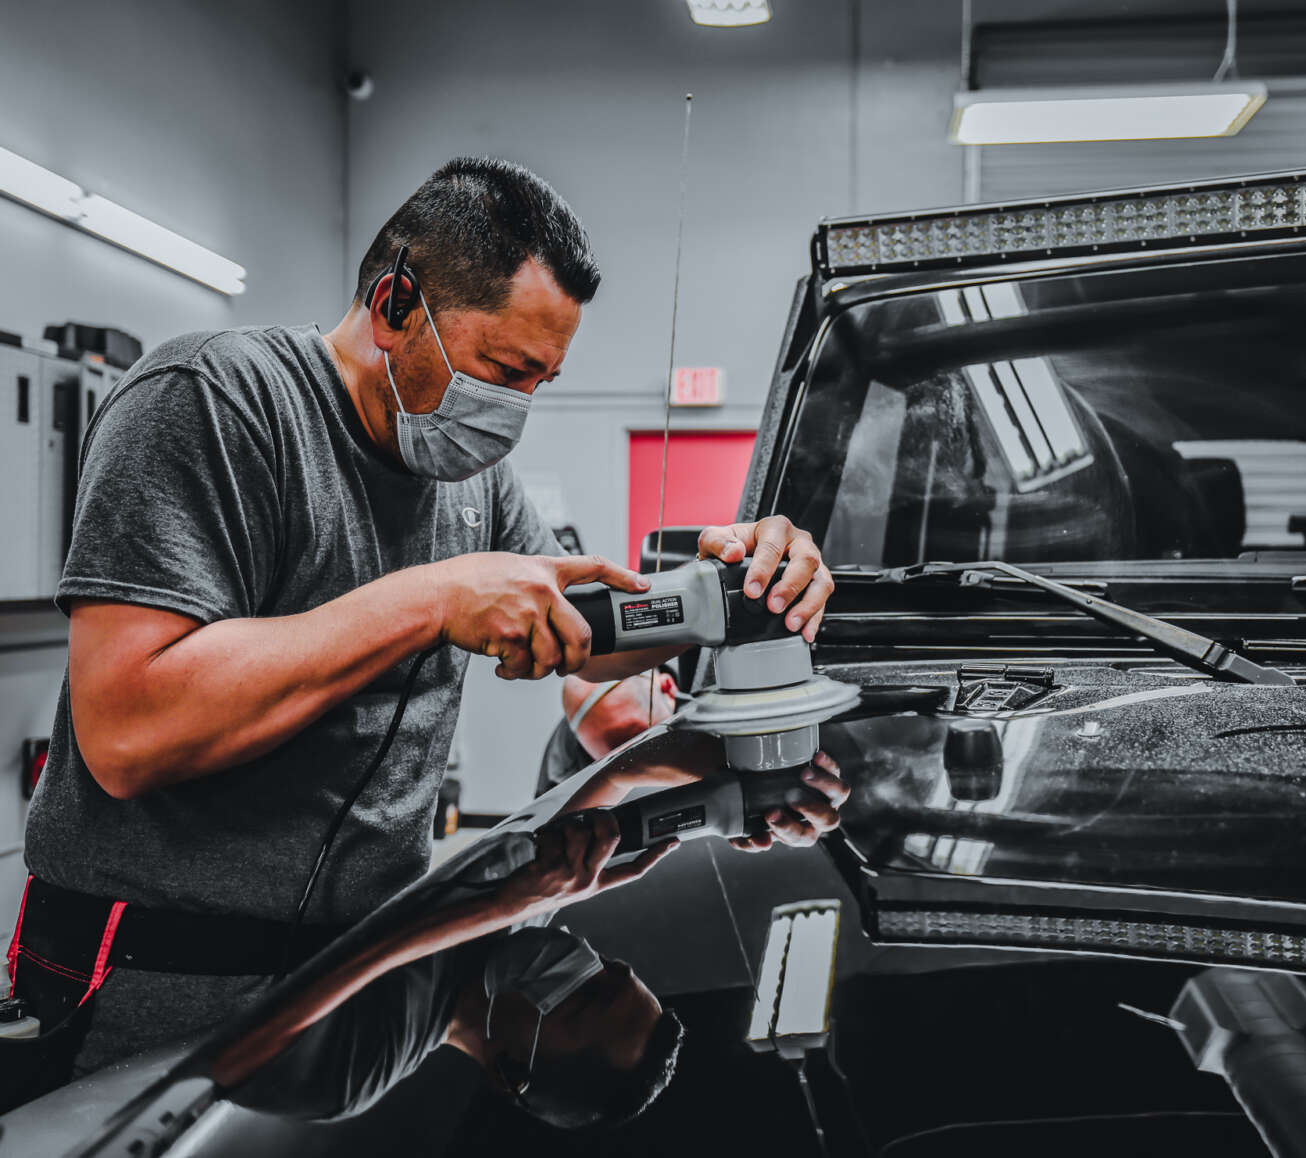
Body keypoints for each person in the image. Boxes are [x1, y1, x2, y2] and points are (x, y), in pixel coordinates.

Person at [9, 155, 844, 1090]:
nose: (514, 410)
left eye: (541, 380)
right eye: (501, 369)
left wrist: (727, 594)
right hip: (143, 981)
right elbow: (128, 731)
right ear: (396, 303)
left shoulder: (471, 477)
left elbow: (578, 636)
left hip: (359, 961)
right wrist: (432, 600)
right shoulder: (213, 402)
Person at [215, 814, 681, 1127]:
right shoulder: (524, 912)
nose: (582, 960)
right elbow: (593, 803)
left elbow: (225, 1062)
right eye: (607, 969)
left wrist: (489, 909)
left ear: (513, 1069)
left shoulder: (358, 1071)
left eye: (585, 997)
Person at [536, 667, 681, 795]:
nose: (634, 769)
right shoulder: (562, 788)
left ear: (668, 688)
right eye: (611, 759)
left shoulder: (698, 664)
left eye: (640, 742)